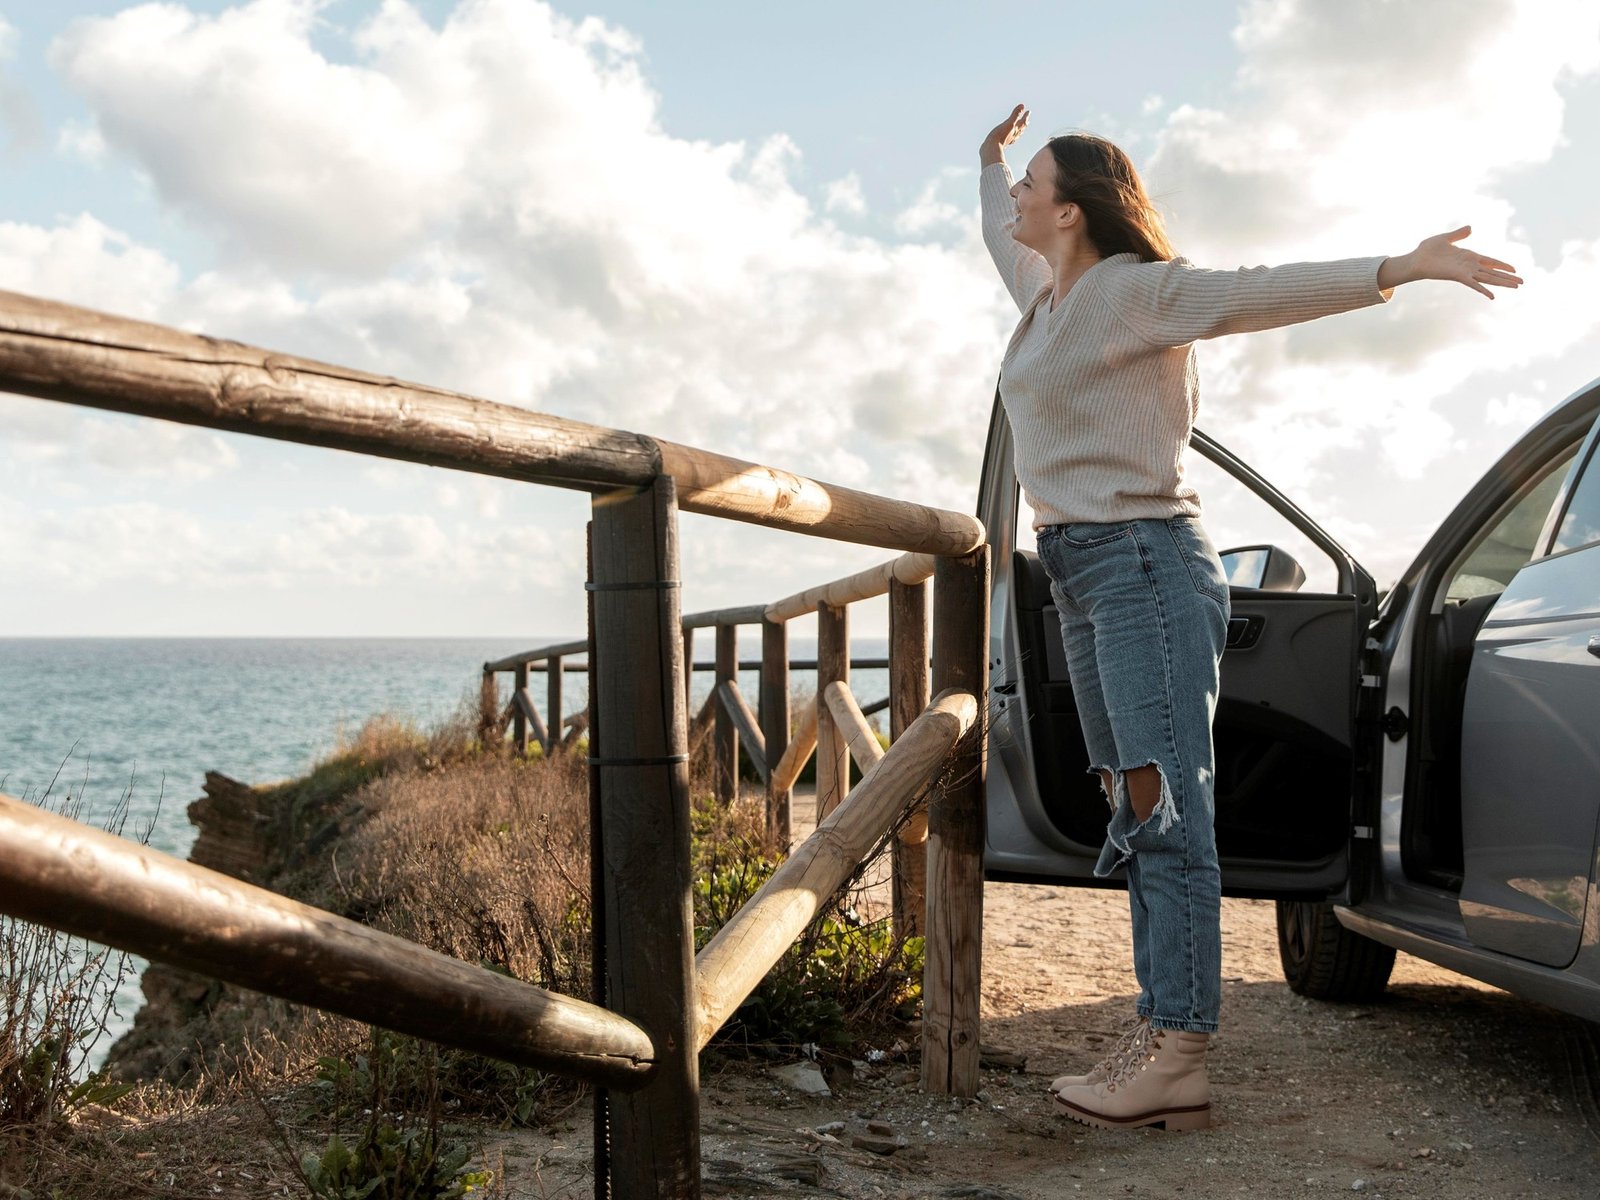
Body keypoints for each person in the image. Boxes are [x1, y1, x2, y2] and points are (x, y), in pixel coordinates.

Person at [977, 103, 1520, 1133]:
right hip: (1082, 573)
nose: (1011, 201)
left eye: (1025, 186)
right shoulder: (1045, 295)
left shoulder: (1136, 293)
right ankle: (1157, 1024)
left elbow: (1258, 295)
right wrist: (987, 158)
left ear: (1072, 209)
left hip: (1143, 565)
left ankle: (1178, 1051)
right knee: (1128, 805)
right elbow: (988, 222)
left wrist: (1395, 268)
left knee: (1163, 808)